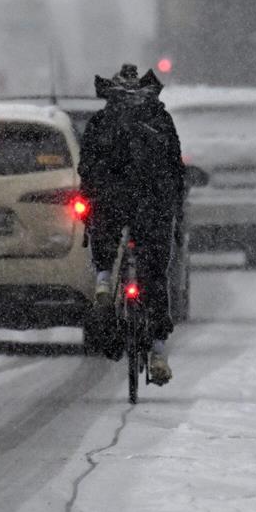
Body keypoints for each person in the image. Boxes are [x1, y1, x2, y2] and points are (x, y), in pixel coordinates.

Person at [78, 64, 185, 385]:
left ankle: (102, 279)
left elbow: (86, 167)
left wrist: (93, 197)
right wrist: (174, 208)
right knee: (154, 275)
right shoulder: (160, 119)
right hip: (152, 206)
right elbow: (175, 170)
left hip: (111, 202)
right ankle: (158, 353)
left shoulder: (100, 121)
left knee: (105, 237)